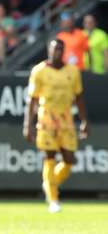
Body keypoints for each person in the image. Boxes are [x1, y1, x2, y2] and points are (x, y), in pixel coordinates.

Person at [24, 39, 88, 213]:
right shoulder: (39, 71)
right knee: (49, 156)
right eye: (54, 49)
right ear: (48, 50)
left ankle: (50, 183)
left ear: (64, 51)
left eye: (60, 49)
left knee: (69, 159)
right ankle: (53, 199)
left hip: (66, 118)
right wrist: (28, 125)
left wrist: (84, 121)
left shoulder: (72, 71)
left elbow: (79, 97)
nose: (57, 52)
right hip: (46, 118)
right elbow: (32, 100)